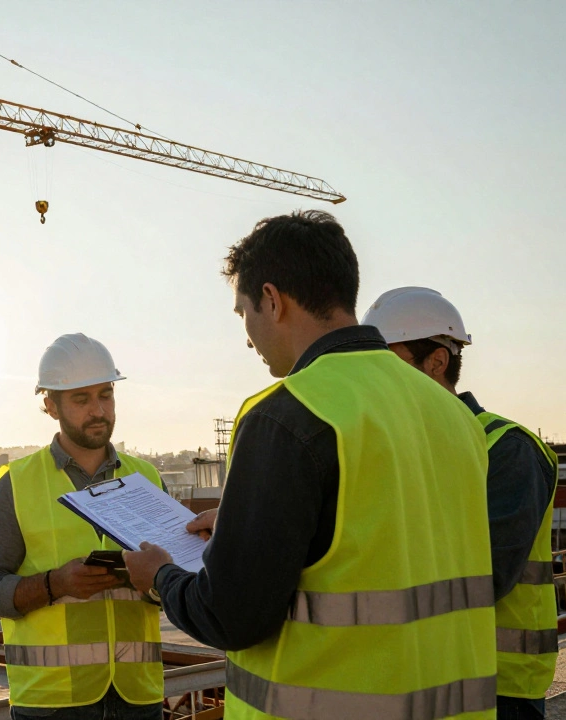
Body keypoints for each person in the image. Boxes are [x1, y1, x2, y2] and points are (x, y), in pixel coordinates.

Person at [123, 211, 496, 719]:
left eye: (244, 315)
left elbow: (232, 616)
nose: (248, 338)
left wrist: (160, 575)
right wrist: (246, 529)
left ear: (273, 300)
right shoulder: (455, 417)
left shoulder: (287, 414)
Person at [363, 286, 559, 719]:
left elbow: (484, 576)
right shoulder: (403, 451)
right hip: (423, 674)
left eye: (390, 366)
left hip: (501, 685)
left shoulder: (508, 449)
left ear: (437, 362)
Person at [0, 333, 165, 718]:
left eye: (105, 395)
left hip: (138, 699)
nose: (98, 410)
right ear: (50, 405)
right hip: (50, 704)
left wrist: (157, 579)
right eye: (81, 399)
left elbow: (174, 580)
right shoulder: (18, 483)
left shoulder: (148, 479)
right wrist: (54, 584)